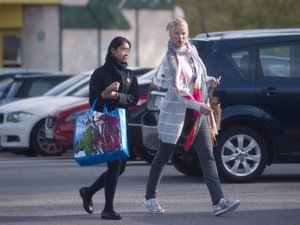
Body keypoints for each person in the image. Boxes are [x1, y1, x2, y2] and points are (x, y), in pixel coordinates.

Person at [144, 18, 240, 216]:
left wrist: (208, 79)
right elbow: (179, 90)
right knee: (163, 156)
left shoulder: (192, 50)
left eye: (184, 33)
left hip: (197, 112)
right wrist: (198, 104)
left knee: (207, 155)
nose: (181, 37)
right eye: (177, 33)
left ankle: (218, 202)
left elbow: (195, 77)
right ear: (169, 35)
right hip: (179, 112)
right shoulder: (170, 59)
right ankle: (150, 198)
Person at [79, 36, 139, 220]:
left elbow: (134, 99)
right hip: (106, 126)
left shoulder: (130, 75)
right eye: (122, 49)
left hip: (122, 125)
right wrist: (105, 94)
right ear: (113, 51)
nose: (126, 53)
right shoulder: (100, 73)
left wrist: (116, 96)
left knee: (120, 168)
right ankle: (108, 209)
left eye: (128, 49)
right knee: (115, 166)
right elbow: (93, 101)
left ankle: (88, 192)